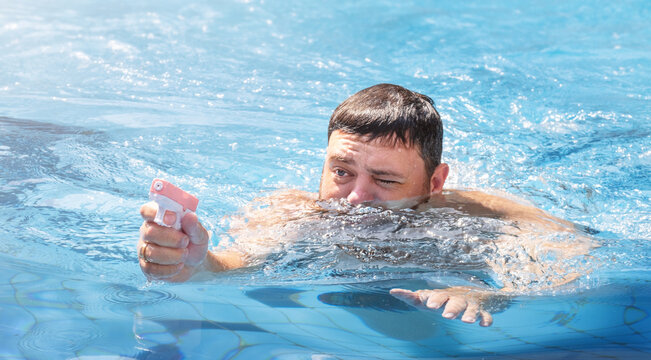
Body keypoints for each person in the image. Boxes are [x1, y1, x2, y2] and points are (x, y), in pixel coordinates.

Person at [138, 83, 589, 327]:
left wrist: (490, 294)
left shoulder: (485, 215)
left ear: (435, 181)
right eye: (341, 172)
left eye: (386, 179)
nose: (355, 198)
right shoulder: (294, 212)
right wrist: (193, 261)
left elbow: (574, 259)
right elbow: (241, 260)